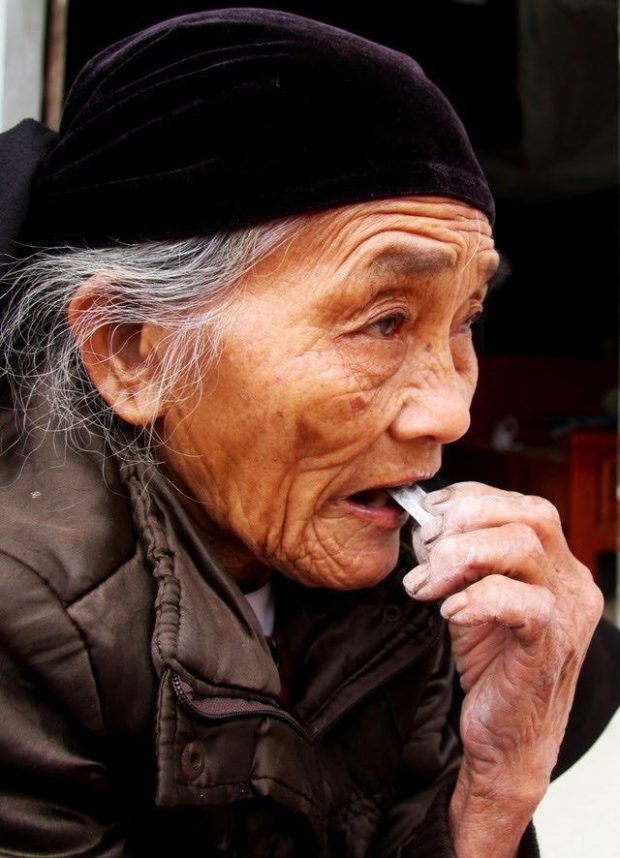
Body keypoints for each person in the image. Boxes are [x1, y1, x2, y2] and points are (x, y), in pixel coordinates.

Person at [0, 8, 616, 857]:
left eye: (465, 319)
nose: (451, 412)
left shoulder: (402, 589)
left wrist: (500, 784)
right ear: (131, 350)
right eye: (386, 321)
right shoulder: (22, 620)